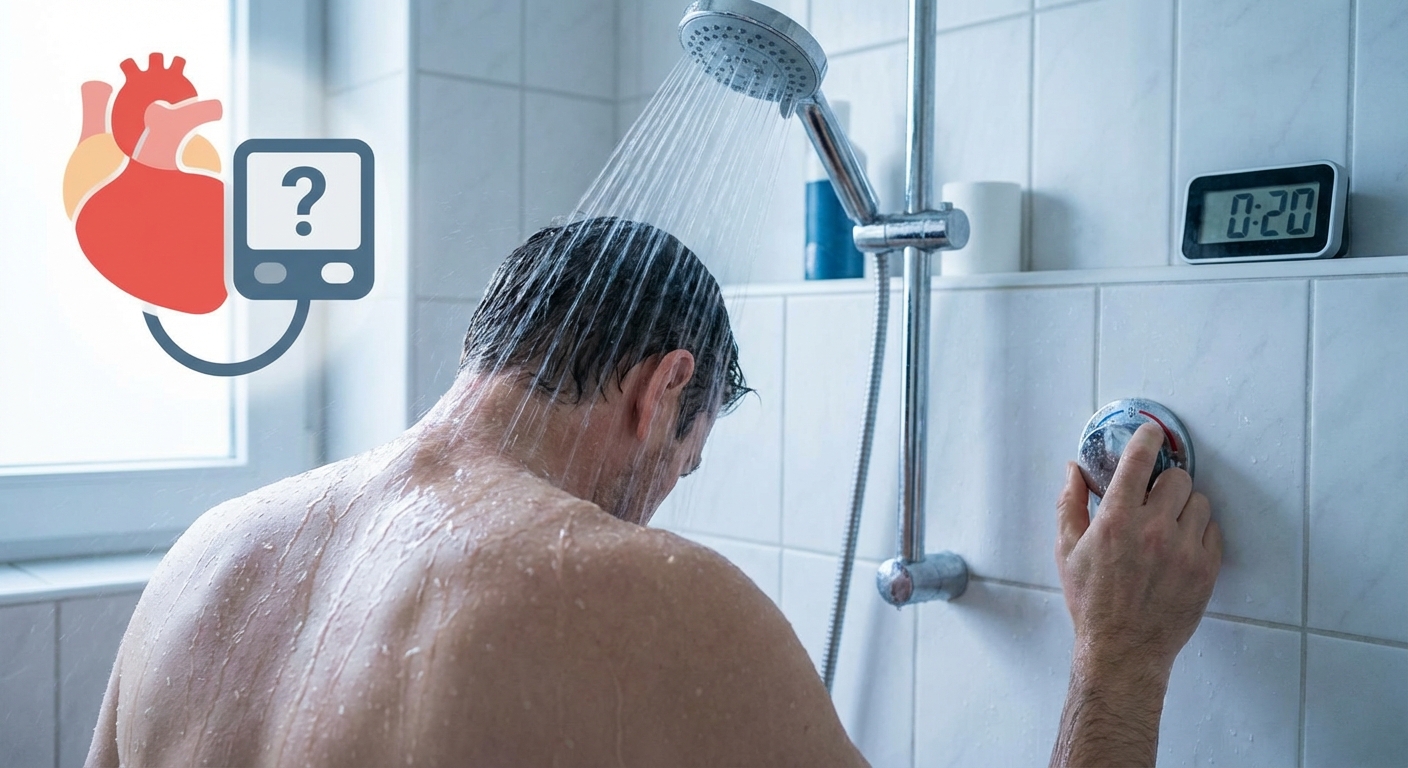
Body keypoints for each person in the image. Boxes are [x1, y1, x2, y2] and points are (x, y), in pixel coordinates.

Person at [87, 217, 1221, 768]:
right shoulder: (645, 596)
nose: (658, 502)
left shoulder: (209, 553)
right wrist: (1118, 660)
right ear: (663, 388)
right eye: (684, 461)